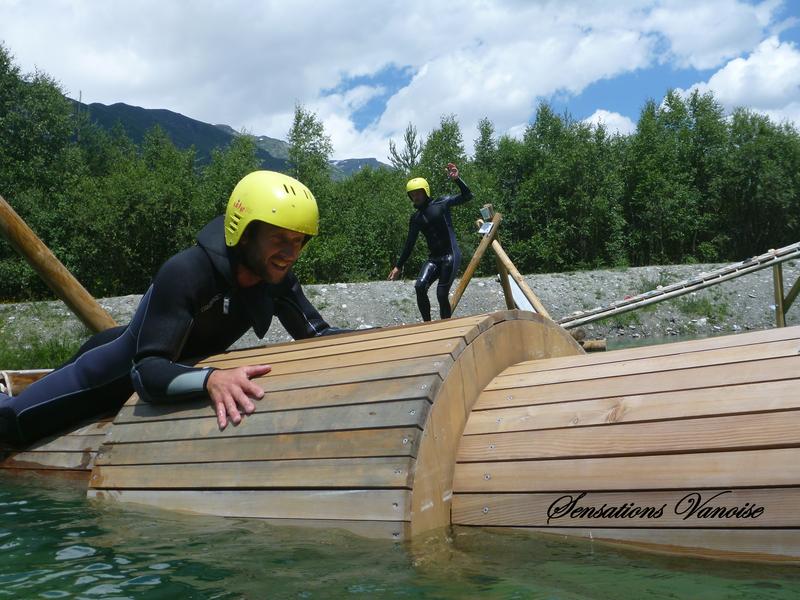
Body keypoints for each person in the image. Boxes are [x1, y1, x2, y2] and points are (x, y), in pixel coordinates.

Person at [0, 171, 347, 446]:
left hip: (165, 371)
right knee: (10, 424)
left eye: (298, 241)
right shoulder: (186, 272)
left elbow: (318, 335)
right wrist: (211, 379)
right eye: (279, 239)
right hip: (100, 376)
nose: (291, 252)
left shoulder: (276, 277)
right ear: (244, 233)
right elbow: (145, 371)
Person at [388, 163, 472, 321]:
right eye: (412, 194)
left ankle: (445, 328)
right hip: (434, 259)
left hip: (450, 256)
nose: (415, 197)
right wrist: (398, 266)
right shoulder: (416, 218)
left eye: (418, 193)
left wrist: (457, 179)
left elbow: (468, 196)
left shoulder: (442, 203)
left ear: (425, 192)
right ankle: (427, 326)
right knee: (420, 287)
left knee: (441, 294)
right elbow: (409, 243)